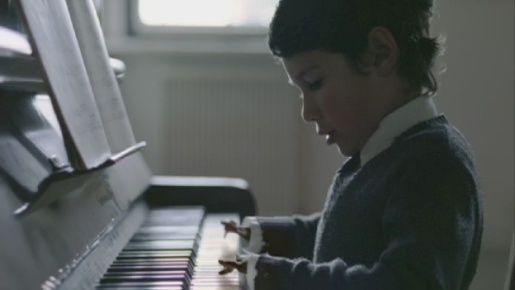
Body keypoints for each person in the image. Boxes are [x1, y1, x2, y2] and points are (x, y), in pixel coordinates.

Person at [218, 0, 483, 289]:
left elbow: (404, 283)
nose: (307, 112)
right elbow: (344, 232)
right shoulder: (387, 151)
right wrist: (258, 234)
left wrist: (271, 275)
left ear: (380, 53)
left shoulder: (436, 165)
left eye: (315, 83)